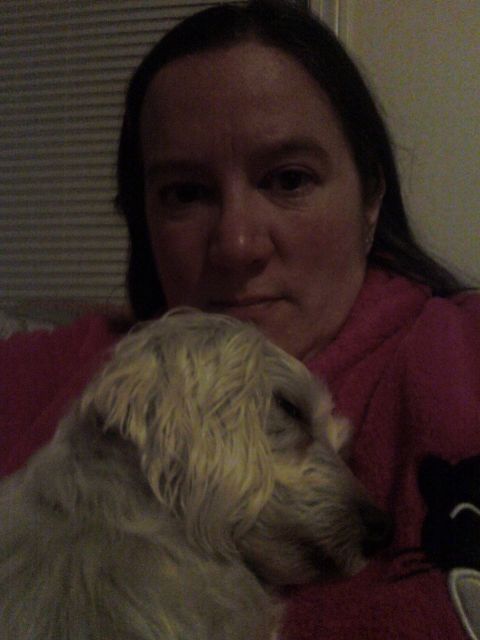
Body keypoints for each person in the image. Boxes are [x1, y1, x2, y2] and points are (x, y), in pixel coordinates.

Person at [1, 1, 479, 638]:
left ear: (370, 198)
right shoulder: (35, 371)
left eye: (289, 179)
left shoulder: (465, 353)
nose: (237, 244)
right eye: (186, 193)